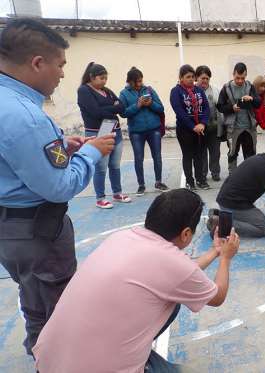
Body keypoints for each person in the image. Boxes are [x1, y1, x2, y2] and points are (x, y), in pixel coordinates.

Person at [0, 18, 115, 356]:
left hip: (12, 231)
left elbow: (15, 156)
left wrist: (60, 144)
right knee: (60, 306)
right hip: (37, 230)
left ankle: (39, 348)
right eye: (60, 64)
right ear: (38, 63)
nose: (63, 74)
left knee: (33, 295)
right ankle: (56, 358)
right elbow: (59, 186)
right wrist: (91, 153)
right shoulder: (25, 115)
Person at [33, 189, 240, 372]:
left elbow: (180, 275)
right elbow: (217, 295)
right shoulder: (170, 261)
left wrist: (215, 252)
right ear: (186, 233)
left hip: (48, 360)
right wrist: (226, 259)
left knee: (171, 302)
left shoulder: (122, 237)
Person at [213, 141, 265, 238]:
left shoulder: (261, 158)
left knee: (254, 217)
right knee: (262, 228)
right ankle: (222, 226)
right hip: (233, 203)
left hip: (227, 199)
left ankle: (219, 215)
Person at [78, 62, 130, 209]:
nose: (104, 81)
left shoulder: (106, 90)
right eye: (101, 78)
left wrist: (109, 108)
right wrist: (112, 107)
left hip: (116, 130)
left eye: (106, 78)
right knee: (101, 167)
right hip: (98, 133)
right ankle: (100, 198)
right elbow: (95, 112)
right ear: (92, 77)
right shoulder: (84, 91)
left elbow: (121, 106)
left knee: (115, 165)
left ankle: (117, 192)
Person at [119, 66, 169, 196]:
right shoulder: (124, 94)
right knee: (138, 158)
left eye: (141, 81)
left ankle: (159, 182)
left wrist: (150, 104)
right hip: (136, 131)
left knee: (157, 156)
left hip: (154, 129)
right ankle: (141, 185)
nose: (140, 84)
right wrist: (138, 105)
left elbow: (161, 108)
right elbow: (123, 113)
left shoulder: (149, 90)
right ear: (130, 82)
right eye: (137, 81)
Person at [170, 64, 211, 190]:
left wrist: (202, 123)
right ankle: (190, 181)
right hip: (185, 130)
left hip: (200, 128)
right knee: (188, 156)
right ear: (181, 78)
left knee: (199, 156)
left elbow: (206, 108)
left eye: (193, 77)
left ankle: (201, 180)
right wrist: (193, 126)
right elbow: (179, 111)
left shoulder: (198, 90)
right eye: (188, 77)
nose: (191, 79)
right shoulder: (176, 91)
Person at [217, 62, 261, 174]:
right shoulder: (226, 88)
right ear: (233, 74)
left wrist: (251, 98)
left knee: (250, 153)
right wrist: (232, 108)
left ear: (246, 76)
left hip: (249, 127)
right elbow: (220, 106)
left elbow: (258, 103)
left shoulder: (250, 86)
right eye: (237, 78)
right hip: (233, 128)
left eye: (243, 78)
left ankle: (250, 174)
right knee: (232, 153)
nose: (240, 81)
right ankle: (233, 175)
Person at [195, 65, 223, 182]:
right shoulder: (192, 91)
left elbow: (220, 108)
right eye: (202, 78)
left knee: (215, 152)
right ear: (197, 78)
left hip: (214, 127)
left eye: (207, 78)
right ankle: (202, 173)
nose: (205, 80)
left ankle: (215, 173)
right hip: (199, 129)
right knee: (201, 153)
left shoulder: (215, 90)